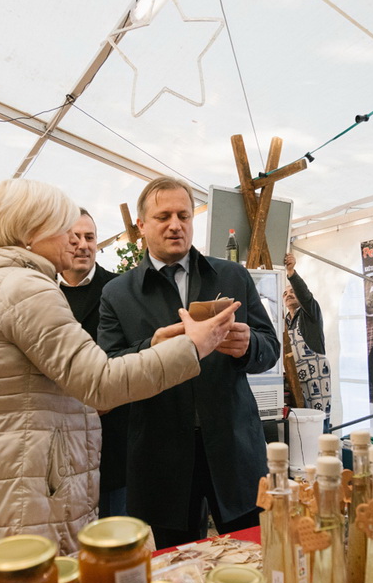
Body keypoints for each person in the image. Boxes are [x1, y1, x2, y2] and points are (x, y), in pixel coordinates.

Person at [0, 179, 239, 583]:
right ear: (33, 231)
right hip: (21, 485)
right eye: (64, 228)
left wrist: (155, 347)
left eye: (183, 216)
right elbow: (99, 383)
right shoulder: (24, 289)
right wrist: (194, 346)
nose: (74, 239)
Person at [98, 177, 281, 548]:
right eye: (163, 216)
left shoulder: (231, 276)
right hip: (160, 455)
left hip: (233, 446)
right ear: (141, 225)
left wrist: (248, 346)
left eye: (183, 215)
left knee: (252, 552)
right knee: (175, 566)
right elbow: (107, 370)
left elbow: (270, 348)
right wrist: (151, 346)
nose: (175, 224)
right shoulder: (118, 293)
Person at [58, 208, 129, 517]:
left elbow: (134, 353)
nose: (82, 245)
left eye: (89, 237)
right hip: (57, 436)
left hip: (111, 434)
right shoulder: (40, 291)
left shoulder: (119, 289)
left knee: (114, 531)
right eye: (74, 237)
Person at [283, 252, 332, 431]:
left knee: (318, 423)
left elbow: (305, 296)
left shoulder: (310, 313)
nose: (289, 295)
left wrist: (291, 272)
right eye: (285, 293)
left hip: (316, 378)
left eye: (292, 291)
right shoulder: (285, 321)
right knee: (302, 424)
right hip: (296, 378)